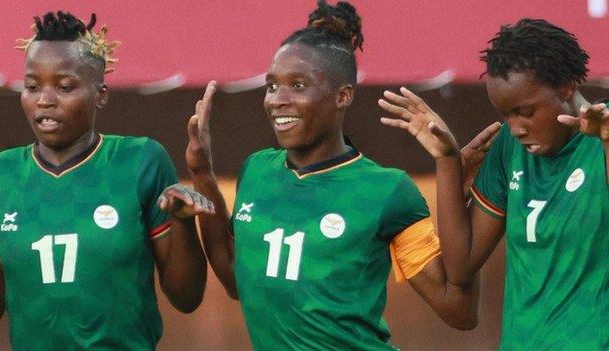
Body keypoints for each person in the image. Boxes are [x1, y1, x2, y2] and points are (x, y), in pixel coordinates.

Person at [160, 1, 500, 349]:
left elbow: (459, 311)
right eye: (272, 86)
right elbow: (235, 280)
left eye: (298, 85)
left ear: (342, 96)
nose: (278, 99)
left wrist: (454, 191)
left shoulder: (386, 191)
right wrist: (202, 172)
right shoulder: (257, 170)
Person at [0, 12, 210, 350]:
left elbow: (187, 297)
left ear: (100, 94)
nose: (44, 100)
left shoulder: (140, 160)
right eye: (32, 86)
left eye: (63, 87)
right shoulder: (1, 172)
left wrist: (182, 223)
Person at [379, 18, 608, 350]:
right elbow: (459, 270)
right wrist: (446, 161)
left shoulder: (603, 134)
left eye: (526, 112)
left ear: (567, 86)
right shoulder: (509, 148)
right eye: (507, 115)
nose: (516, 128)